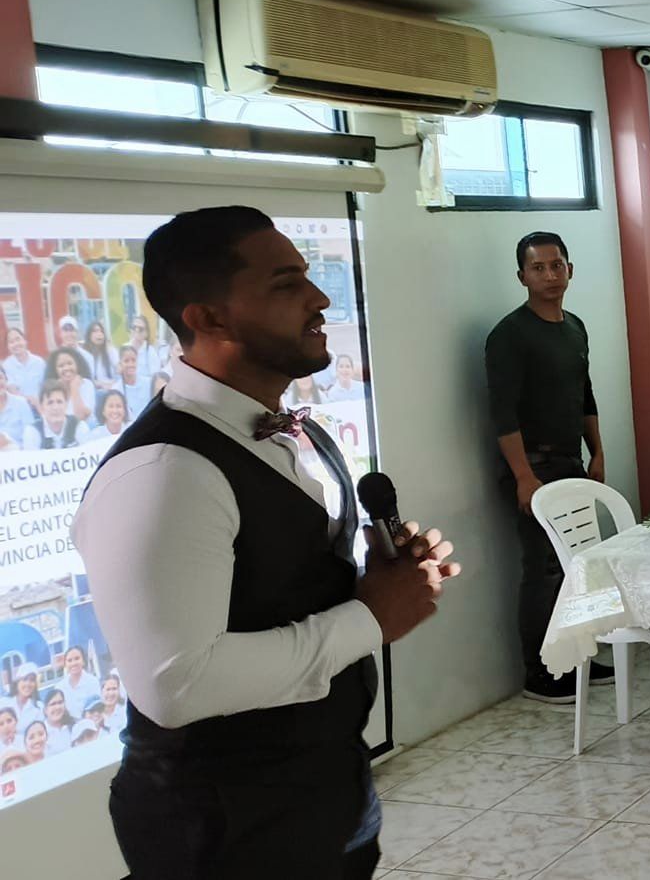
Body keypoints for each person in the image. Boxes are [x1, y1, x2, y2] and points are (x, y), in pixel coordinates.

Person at [75, 206, 459, 880]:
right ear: (209, 318)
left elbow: (277, 581)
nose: (320, 299)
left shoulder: (294, 428)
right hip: (225, 828)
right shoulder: (165, 471)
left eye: (307, 277)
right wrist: (370, 617)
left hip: (326, 787)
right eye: (286, 284)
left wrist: (378, 579)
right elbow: (176, 685)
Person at [485, 231, 609, 704]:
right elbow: (503, 414)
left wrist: (597, 451)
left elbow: (585, 395)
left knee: (576, 564)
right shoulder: (509, 335)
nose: (549, 275)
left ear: (569, 270)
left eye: (556, 265)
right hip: (533, 468)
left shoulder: (574, 327)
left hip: (572, 462)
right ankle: (539, 671)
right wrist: (523, 477)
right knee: (544, 568)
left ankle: (577, 657)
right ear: (522, 276)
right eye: (538, 268)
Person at [27, 382, 83, 449]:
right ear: (42, 407)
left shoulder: (79, 426)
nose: (55, 407)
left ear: (66, 404)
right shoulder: (33, 431)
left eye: (59, 402)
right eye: (50, 403)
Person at [46, 346, 95, 422]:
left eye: (70, 363)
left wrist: (74, 388)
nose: (66, 368)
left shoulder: (86, 384)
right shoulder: (52, 389)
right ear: (55, 370)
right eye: (61, 366)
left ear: (77, 364)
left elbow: (80, 417)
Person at [52, 646, 100, 711]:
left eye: (77, 658)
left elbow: (96, 708)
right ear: (65, 664)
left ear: (83, 661)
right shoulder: (59, 687)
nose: (73, 663)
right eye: (69, 660)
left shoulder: (93, 682)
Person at [3, 327, 45, 399]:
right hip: (18, 404)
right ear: (8, 347)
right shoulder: (6, 366)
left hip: (41, 403)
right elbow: (12, 390)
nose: (16, 344)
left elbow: (46, 386)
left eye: (18, 339)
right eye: (11, 342)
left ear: (25, 341)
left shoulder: (39, 362)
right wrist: (31, 401)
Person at [115, 345, 153, 418]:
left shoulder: (149, 383)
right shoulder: (117, 389)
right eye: (126, 361)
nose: (130, 364)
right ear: (120, 363)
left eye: (133, 360)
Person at [0, 365, 33, 446]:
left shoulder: (21, 403)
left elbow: (31, 433)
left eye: (0, 378)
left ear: (6, 379)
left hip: (19, 451)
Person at [83, 320, 117, 389]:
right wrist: (102, 385)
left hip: (113, 388)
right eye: (95, 331)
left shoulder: (111, 351)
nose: (99, 334)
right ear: (89, 335)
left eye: (101, 331)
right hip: (95, 389)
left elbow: (119, 371)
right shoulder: (84, 354)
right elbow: (87, 379)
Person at [41, 689, 75, 754]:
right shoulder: (41, 732)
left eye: (60, 702)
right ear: (45, 710)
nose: (57, 707)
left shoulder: (74, 726)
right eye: (53, 704)